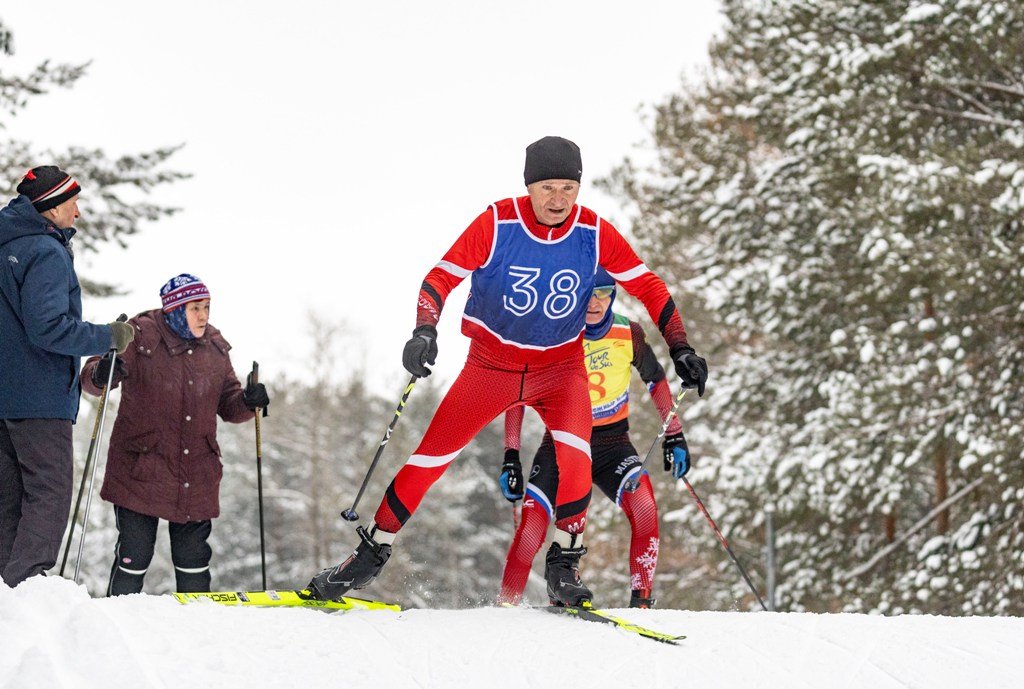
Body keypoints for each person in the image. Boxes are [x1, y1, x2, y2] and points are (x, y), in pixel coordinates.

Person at [307, 135, 707, 606]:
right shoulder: (498, 223)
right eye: (547, 188)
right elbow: (440, 278)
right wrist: (424, 331)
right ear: (529, 186)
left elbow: (650, 287)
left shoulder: (595, 232)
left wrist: (679, 345)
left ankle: (564, 563)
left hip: (559, 369)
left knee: (576, 458)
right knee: (429, 460)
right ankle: (370, 553)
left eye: (568, 188)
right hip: (490, 367)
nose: (558, 200)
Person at [497, 267, 691, 608]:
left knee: (645, 508)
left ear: (612, 295)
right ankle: (505, 607)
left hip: (613, 445)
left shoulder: (627, 333)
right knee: (531, 530)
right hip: (560, 445)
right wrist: (510, 455)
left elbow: (656, 379)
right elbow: (517, 396)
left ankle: (641, 604)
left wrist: (674, 436)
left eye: (602, 292)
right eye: (587, 293)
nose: (594, 302)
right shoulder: (550, 334)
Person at [80, 273, 269, 595]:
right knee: (134, 556)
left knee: (194, 560)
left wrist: (249, 403)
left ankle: (197, 630)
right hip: (141, 467)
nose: (204, 315)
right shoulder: (140, 335)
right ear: (174, 308)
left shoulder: (215, 347)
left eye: (207, 307)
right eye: (195, 307)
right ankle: (115, 623)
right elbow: (94, 378)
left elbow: (229, 403)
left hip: (196, 470)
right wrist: (101, 372)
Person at [0, 166, 135, 587]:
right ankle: (24, 587)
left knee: (10, 499)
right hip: (38, 397)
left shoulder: (7, 246)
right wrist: (108, 336)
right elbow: (48, 327)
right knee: (49, 495)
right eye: (73, 202)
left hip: (5, 397)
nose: (77, 212)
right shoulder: (44, 250)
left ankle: (6, 591)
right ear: (52, 206)